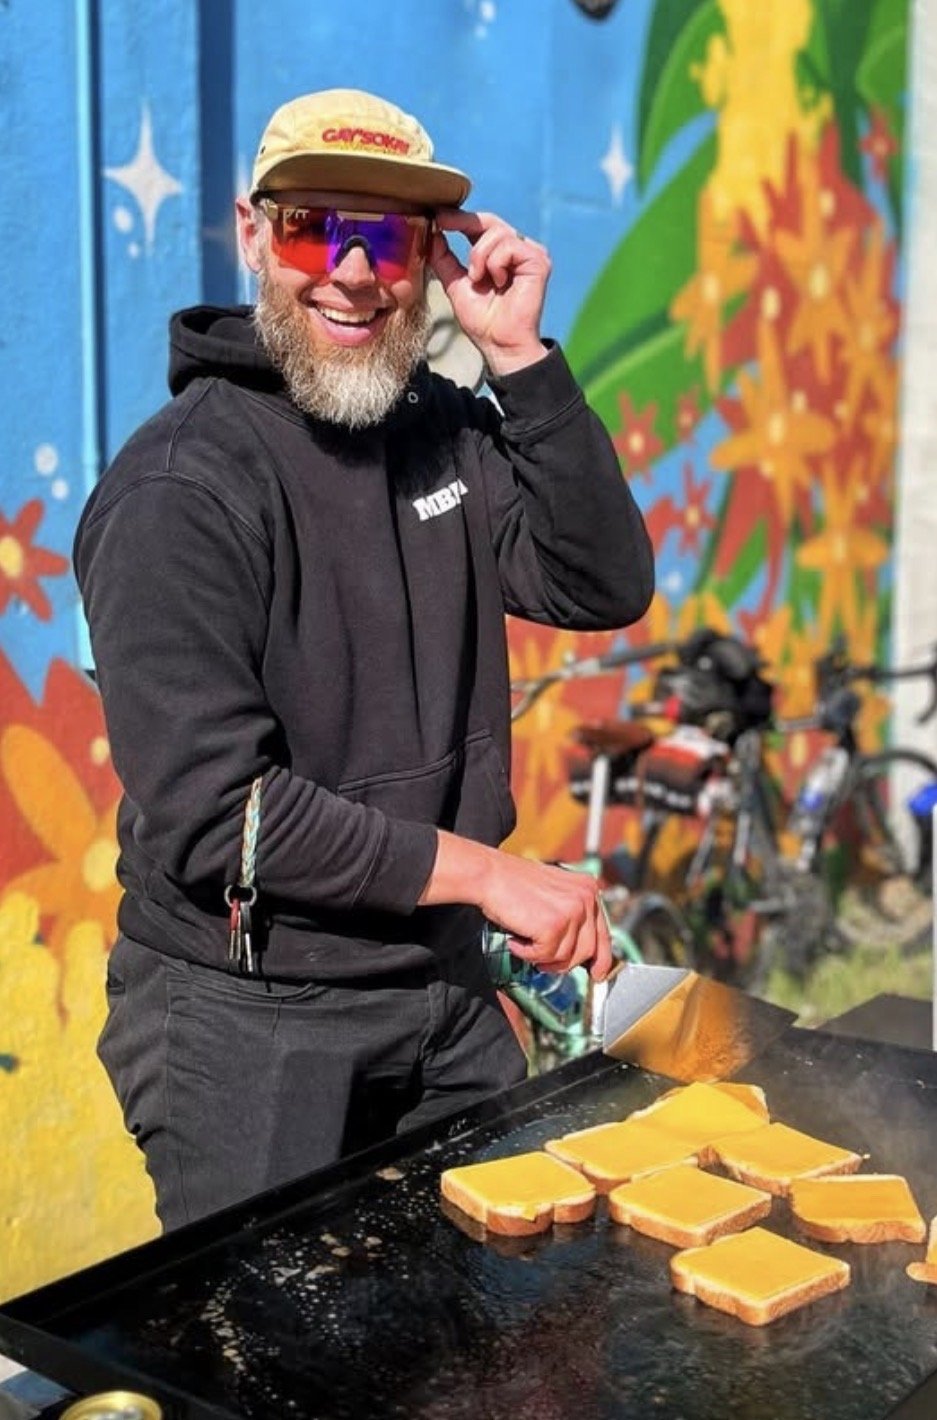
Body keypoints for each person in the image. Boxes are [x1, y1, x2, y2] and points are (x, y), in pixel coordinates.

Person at [74, 87, 654, 1230]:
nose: (349, 271)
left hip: (440, 993)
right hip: (251, 1020)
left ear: (430, 256)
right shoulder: (179, 489)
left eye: (386, 237)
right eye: (312, 228)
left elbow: (600, 583)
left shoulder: (441, 430)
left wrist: (518, 358)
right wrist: (486, 875)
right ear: (253, 234)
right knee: (267, 1333)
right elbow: (222, 817)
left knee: (494, 1308)